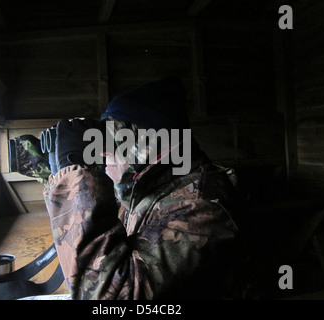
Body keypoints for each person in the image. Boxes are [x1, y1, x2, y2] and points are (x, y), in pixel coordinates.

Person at [39, 76, 246, 300]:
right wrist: (61, 173)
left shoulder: (204, 206)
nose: (102, 151)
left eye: (113, 138)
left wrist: (75, 171)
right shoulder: (144, 189)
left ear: (150, 144)